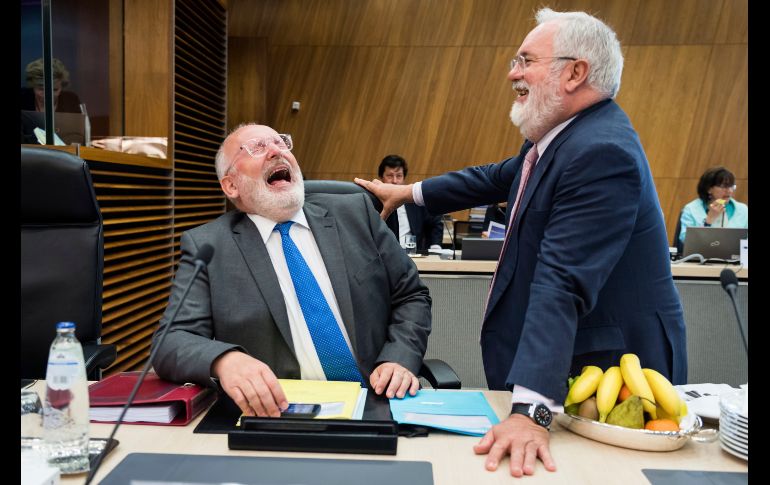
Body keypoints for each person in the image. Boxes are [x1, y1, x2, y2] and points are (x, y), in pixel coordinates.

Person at [356, 8, 686, 477]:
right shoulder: (559, 140)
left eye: (525, 60)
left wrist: (531, 411)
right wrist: (409, 192)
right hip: (577, 361)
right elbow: (495, 177)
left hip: (613, 372)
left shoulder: (600, 152)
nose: (513, 73)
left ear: (574, 73)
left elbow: (561, 281)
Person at [151, 123, 432, 418]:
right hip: (279, 414)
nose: (276, 151)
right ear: (231, 185)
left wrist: (399, 357)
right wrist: (224, 360)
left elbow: (411, 296)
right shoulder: (209, 246)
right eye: (257, 147)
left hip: (377, 400)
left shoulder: (356, 214)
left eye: (281, 143)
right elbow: (170, 340)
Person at [378, 155, 444, 251]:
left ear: (404, 178)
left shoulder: (414, 201)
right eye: (390, 176)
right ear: (381, 178)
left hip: (411, 255)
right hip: (383, 254)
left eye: (399, 176)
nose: (395, 181)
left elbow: (435, 222)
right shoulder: (372, 202)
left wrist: (435, 246)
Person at [678, 166, 748, 245]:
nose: (729, 191)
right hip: (701, 256)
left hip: (735, 256)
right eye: (724, 186)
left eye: (731, 186)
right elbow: (685, 239)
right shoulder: (691, 209)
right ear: (709, 189)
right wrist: (708, 221)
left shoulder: (743, 209)